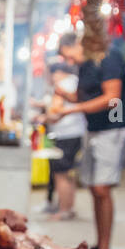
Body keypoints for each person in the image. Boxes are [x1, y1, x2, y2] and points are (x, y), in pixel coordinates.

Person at [50, 32, 125, 249]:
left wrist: (70, 110)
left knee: (102, 188)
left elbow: (112, 98)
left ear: (78, 44)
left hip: (113, 125)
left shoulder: (109, 57)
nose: (70, 62)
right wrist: (64, 96)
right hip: (93, 128)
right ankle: (100, 246)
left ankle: (105, 248)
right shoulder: (85, 66)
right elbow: (84, 96)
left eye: (70, 56)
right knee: (94, 188)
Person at [42, 61, 87, 220]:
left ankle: (63, 210)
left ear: (57, 72)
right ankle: (69, 207)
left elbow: (54, 112)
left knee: (60, 174)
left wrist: (44, 117)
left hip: (64, 134)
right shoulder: (76, 81)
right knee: (68, 173)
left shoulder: (61, 86)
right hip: (77, 132)